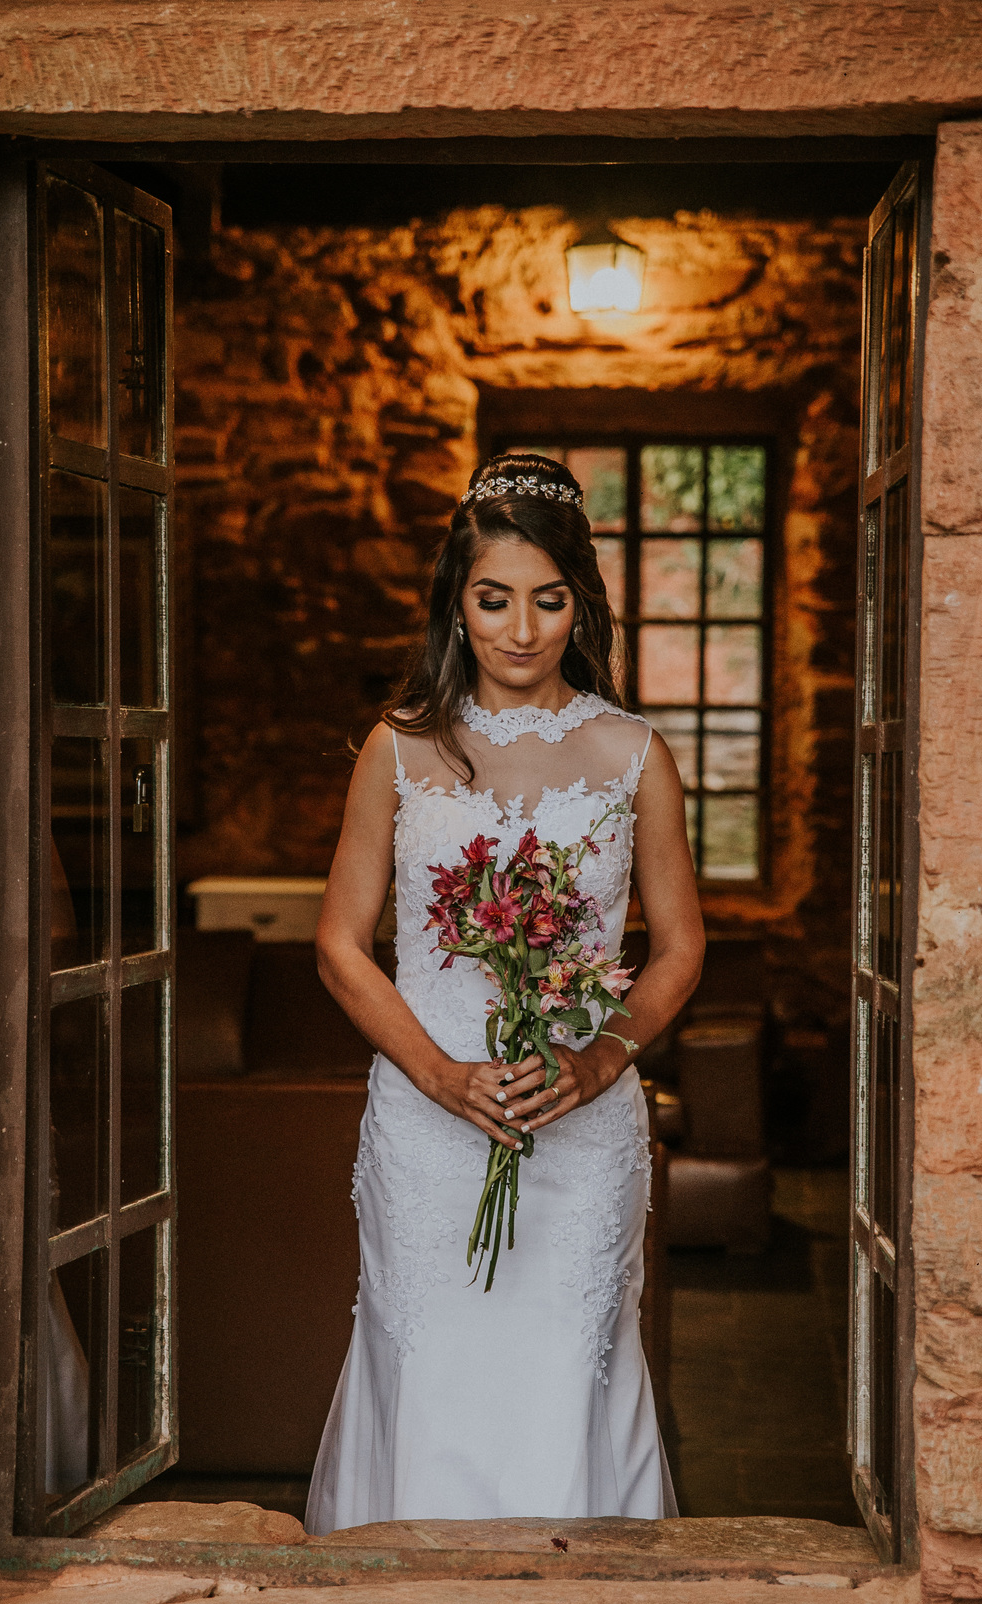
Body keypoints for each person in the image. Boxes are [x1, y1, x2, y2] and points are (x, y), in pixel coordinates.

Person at [306, 452, 705, 1534]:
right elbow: (341, 945)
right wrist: (439, 1075)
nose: (521, 630)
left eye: (547, 599)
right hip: (428, 1128)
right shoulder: (400, 747)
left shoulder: (635, 755)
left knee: (564, 1376)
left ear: (581, 605)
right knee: (428, 1365)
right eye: (493, 600)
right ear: (457, 605)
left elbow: (677, 950)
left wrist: (596, 1057)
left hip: (578, 1129)